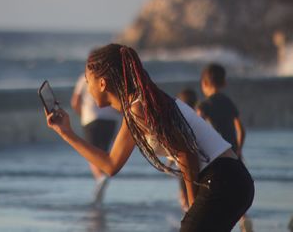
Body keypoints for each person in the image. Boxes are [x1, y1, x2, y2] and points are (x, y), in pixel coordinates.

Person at [44, 44, 254, 231]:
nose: (86, 88)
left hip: (222, 179)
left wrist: (191, 206)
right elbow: (110, 164)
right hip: (231, 179)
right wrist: (66, 132)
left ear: (102, 83)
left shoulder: (140, 108)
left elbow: (185, 151)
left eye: (88, 80)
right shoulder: (138, 107)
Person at [197, 63, 253, 232]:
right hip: (234, 152)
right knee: (238, 189)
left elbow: (196, 128)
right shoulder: (228, 102)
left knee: (216, 190)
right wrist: (239, 149)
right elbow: (240, 129)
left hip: (217, 155)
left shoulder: (204, 105)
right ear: (224, 83)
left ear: (204, 84)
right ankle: (244, 220)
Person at [71, 74, 119, 205]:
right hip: (110, 120)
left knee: (91, 153)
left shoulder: (83, 78)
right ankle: (101, 181)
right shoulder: (110, 77)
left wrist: (82, 115)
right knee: (102, 153)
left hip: (91, 118)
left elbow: (75, 102)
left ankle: (100, 178)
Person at [172, 88, 198, 213]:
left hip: (182, 166)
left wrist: (170, 162)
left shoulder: (179, 121)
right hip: (197, 165)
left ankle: (188, 214)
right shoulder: (197, 120)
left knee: (184, 194)